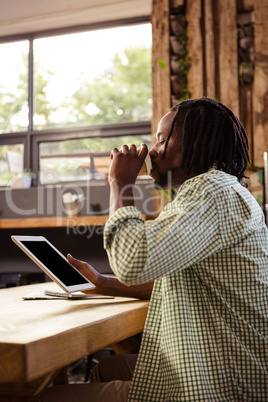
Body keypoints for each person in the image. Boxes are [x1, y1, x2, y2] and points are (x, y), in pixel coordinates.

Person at [41, 97, 268, 401]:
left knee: (48, 397)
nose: (152, 151)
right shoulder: (223, 190)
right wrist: (103, 282)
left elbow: (133, 261)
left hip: (219, 382)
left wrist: (120, 182)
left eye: (162, 139)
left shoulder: (208, 192)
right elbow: (168, 275)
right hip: (234, 363)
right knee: (107, 369)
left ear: (197, 140)